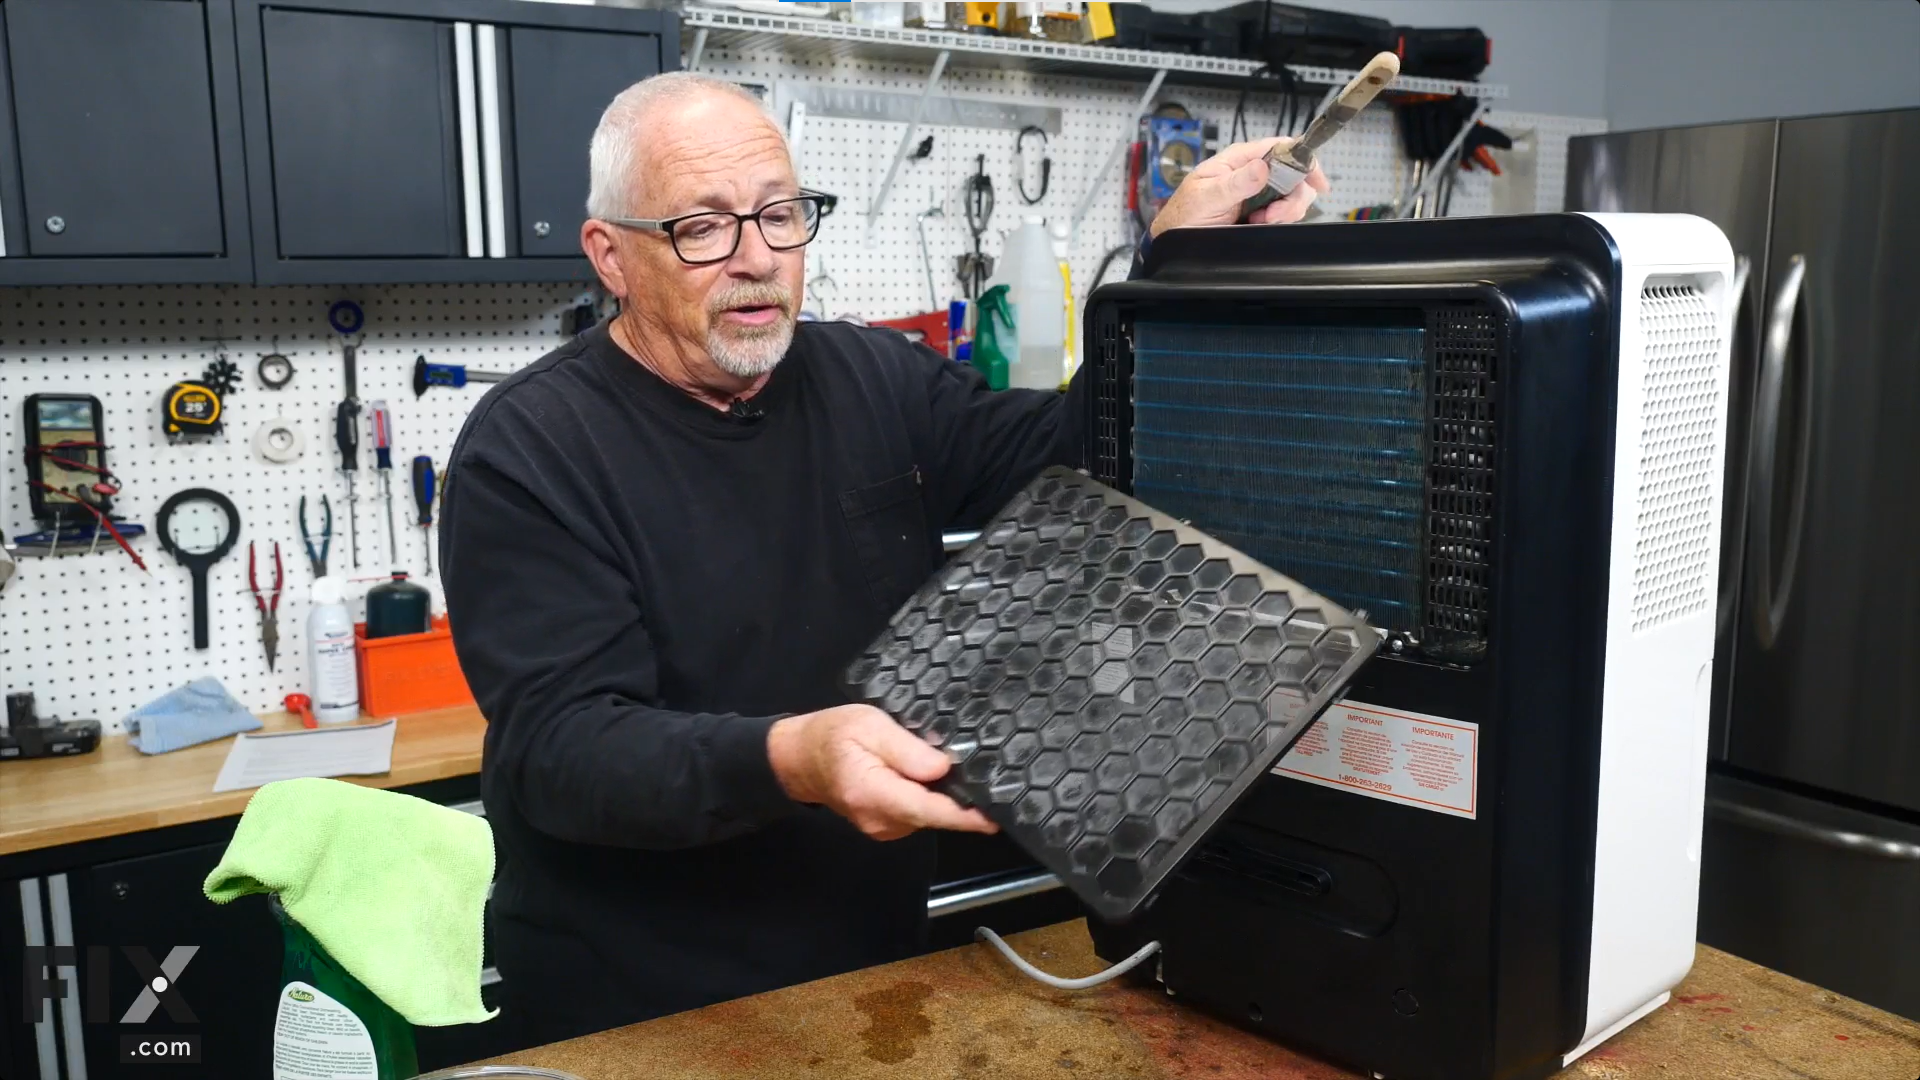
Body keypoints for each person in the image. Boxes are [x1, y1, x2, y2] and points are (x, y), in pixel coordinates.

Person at [439, 71, 1328, 1046]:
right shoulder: (528, 452)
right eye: (703, 227)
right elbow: (565, 754)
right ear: (610, 255)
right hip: (637, 1011)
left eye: (781, 214)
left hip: (873, 979)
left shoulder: (871, 379)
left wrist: (1174, 270)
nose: (757, 259)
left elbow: (1076, 452)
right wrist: (794, 759)